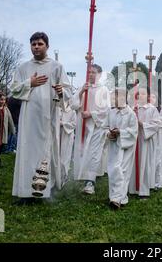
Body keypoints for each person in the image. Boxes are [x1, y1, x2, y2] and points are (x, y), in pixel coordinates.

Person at [10, 32, 71, 204]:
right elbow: (14, 89)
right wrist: (30, 83)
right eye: (33, 44)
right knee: (27, 152)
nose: (36, 47)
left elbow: (67, 91)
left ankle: (43, 191)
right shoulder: (23, 68)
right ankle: (25, 192)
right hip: (29, 117)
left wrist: (61, 92)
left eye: (39, 44)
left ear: (47, 46)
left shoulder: (56, 67)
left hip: (48, 117)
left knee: (45, 152)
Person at [72, 64, 109, 195]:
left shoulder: (103, 90)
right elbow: (74, 105)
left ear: (99, 74)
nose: (91, 74)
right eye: (89, 72)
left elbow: (106, 109)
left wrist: (91, 113)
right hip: (82, 124)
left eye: (94, 72)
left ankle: (90, 182)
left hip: (95, 125)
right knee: (81, 151)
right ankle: (81, 177)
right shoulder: (84, 86)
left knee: (93, 153)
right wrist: (82, 91)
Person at [105, 88, 138, 209]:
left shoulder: (131, 114)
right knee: (113, 170)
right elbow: (105, 127)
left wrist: (121, 132)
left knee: (122, 170)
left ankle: (118, 199)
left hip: (126, 147)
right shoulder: (111, 112)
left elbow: (134, 132)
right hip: (114, 146)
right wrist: (109, 134)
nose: (113, 100)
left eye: (116, 97)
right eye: (113, 97)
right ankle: (113, 196)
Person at [128, 88, 159, 199]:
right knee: (133, 163)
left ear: (148, 96)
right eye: (139, 93)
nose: (141, 95)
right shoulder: (132, 109)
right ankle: (132, 188)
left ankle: (144, 191)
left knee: (145, 164)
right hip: (134, 140)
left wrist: (142, 124)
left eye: (143, 93)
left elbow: (156, 125)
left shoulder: (152, 109)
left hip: (145, 140)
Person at [0, 93, 15, 166]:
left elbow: (10, 120)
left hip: (3, 130)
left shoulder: (6, 109)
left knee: (1, 145)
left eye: (4, 100)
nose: (3, 101)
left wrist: (12, 130)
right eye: (1, 99)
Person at [59, 98, 77, 188]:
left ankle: (64, 177)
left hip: (67, 135)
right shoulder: (57, 109)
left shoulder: (72, 111)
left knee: (64, 158)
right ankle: (56, 178)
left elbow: (74, 124)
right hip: (57, 135)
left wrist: (63, 123)